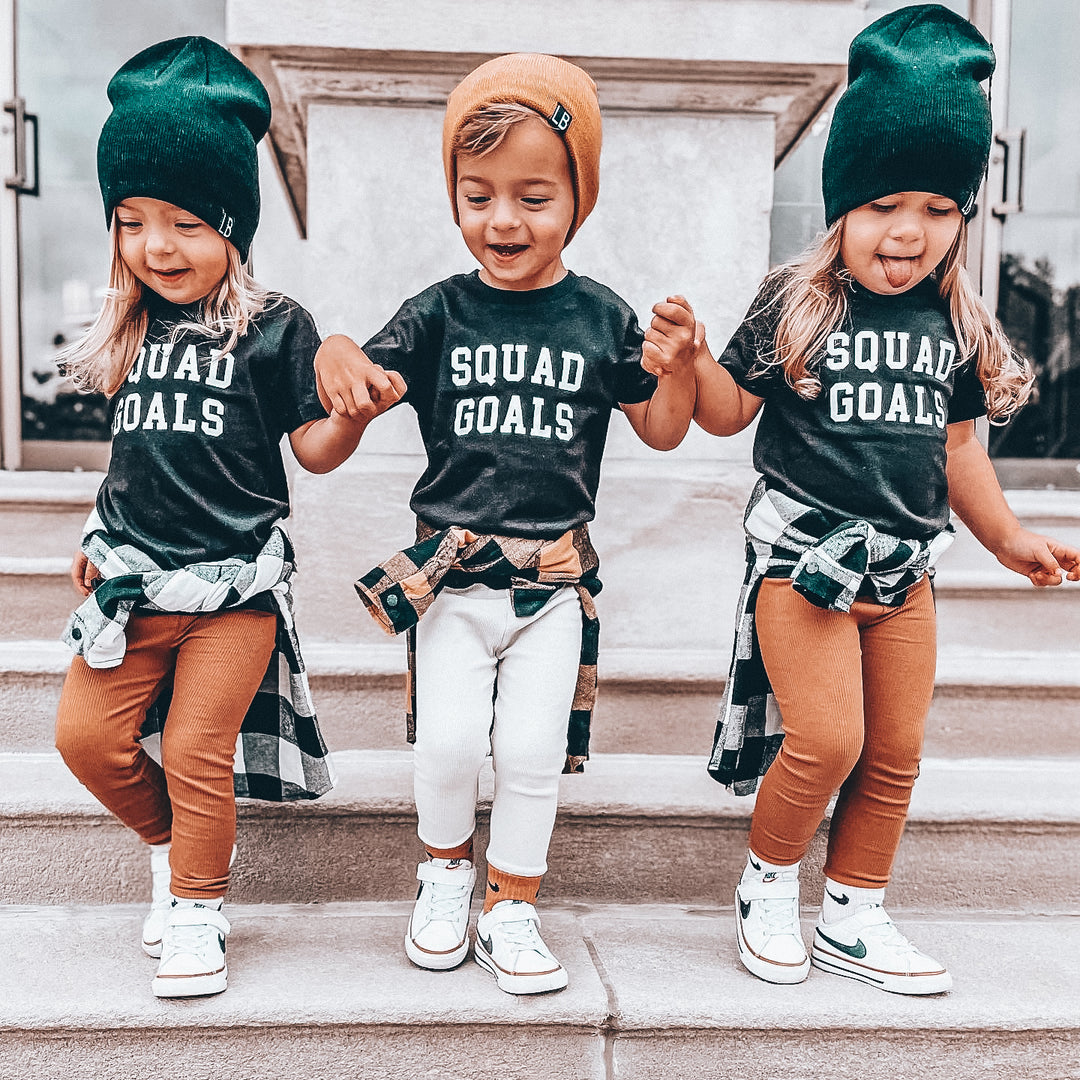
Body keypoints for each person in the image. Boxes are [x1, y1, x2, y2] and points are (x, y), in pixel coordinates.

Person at [685, 5, 1080, 994]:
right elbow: (730, 414)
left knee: (895, 752)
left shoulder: (954, 323)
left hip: (907, 571)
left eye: (940, 210)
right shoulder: (796, 302)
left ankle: (854, 913)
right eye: (885, 205)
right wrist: (690, 362)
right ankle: (769, 887)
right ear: (842, 205)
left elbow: (961, 457)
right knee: (828, 739)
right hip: (803, 563)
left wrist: (1008, 537)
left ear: (963, 217)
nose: (910, 232)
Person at [314, 53, 696, 994]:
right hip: (452, 581)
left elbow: (661, 426)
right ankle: (444, 875)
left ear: (578, 199)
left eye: (533, 196)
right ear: (454, 197)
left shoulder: (600, 315)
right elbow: (334, 423)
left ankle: (511, 902)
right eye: (477, 194)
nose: (502, 220)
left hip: (554, 585)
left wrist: (680, 364)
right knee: (446, 744)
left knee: (528, 753)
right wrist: (337, 358)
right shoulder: (439, 312)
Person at [53, 37, 393, 999]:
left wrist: (350, 419)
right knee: (88, 740)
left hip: (234, 586)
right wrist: (93, 529)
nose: (158, 247)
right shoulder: (130, 322)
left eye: (189, 224)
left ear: (235, 226)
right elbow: (134, 453)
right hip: (130, 578)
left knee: (201, 748)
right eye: (131, 221)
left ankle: (199, 908)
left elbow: (311, 450)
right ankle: (167, 848)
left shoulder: (273, 325)